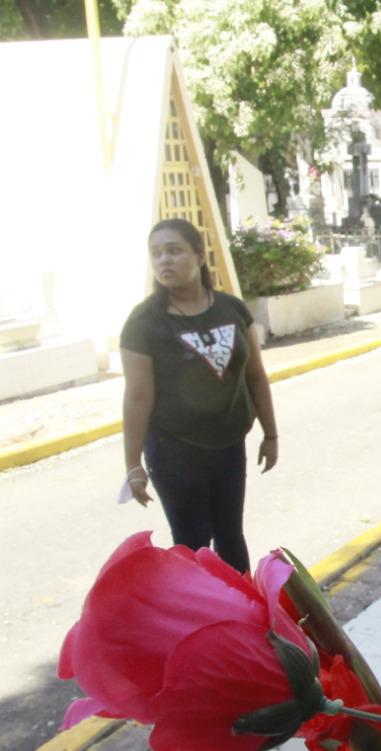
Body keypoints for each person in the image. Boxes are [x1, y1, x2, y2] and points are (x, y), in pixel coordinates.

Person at [120, 218, 279, 573]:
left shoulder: (232, 309)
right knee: (193, 542)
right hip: (174, 448)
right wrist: (133, 465)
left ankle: (243, 617)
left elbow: (255, 375)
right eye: (156, 254)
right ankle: (202, 621)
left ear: (200, 255)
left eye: (174, 251)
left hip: (228, 444)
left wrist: (271, 434)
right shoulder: (144, 323)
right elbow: (137, 397)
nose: (165, 261)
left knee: (231, 536)